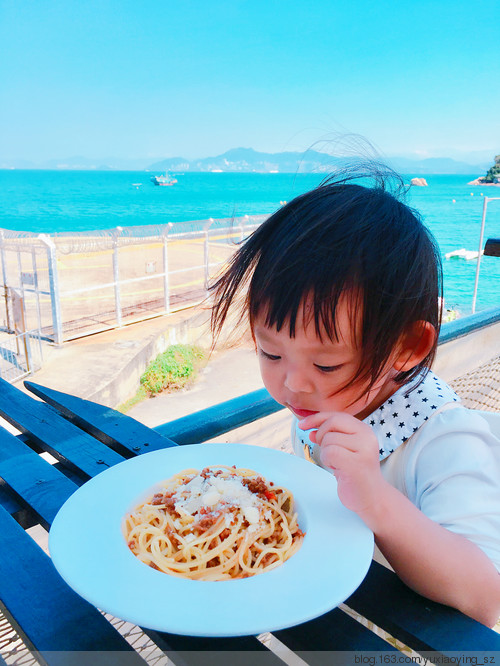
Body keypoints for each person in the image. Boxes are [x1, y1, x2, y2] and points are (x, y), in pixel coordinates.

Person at [210, 165, 500, 627]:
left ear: (406, 348)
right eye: (270, 352)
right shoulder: (323, 404)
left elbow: (487, 596)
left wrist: (374, 497)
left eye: (326, 364)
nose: (293, 384)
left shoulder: (445, 442)